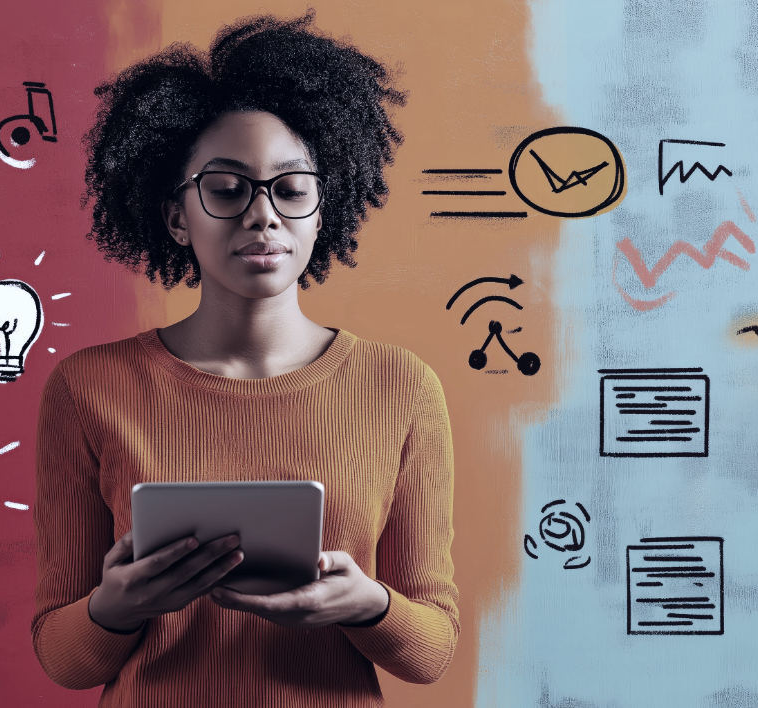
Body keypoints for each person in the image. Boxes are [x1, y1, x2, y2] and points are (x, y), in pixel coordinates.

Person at [32, 12, 458, 706]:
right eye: (227, 189)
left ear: (322, 208)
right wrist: (115, 607)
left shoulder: (402, 387)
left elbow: (433, 650)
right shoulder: (88, 388)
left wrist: (368, 605)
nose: (263, 215)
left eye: (291, 189)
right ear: (177, 217)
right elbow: (62, 656)